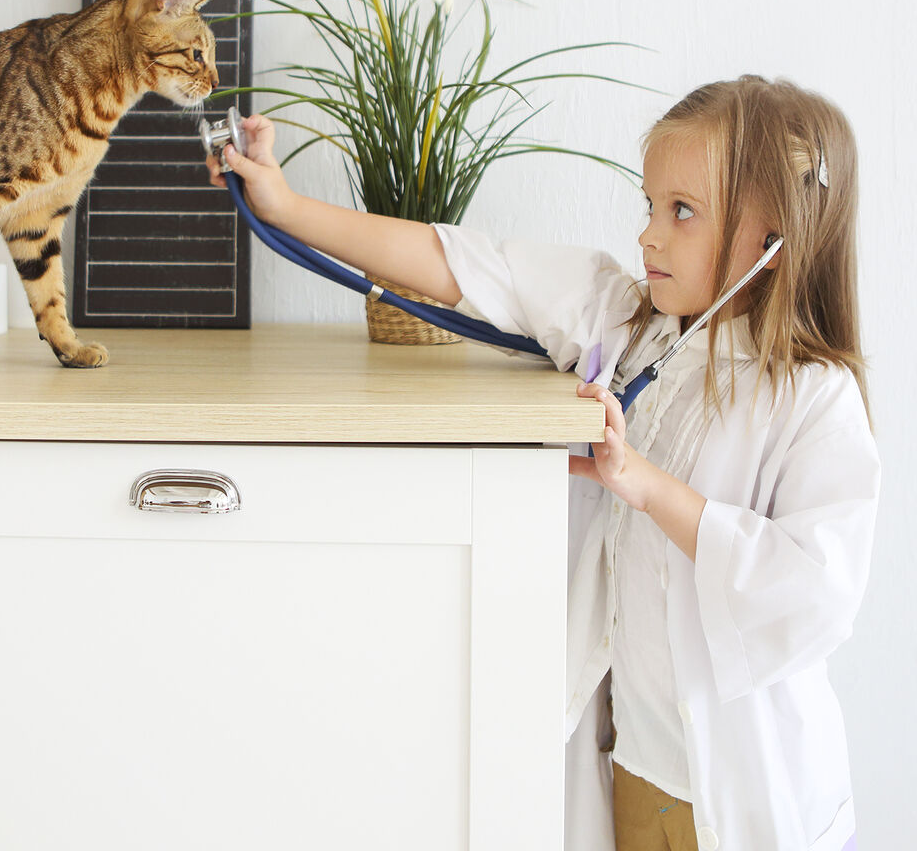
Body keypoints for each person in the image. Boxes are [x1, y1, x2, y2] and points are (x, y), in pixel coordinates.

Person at [209, 75, 878, 850]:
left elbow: (817, 590)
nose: (649, 236)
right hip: (631, 774)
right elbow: (465, 262)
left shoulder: (812, 399)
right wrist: (286, 208)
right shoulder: (626, 322)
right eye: (650, 206)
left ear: (773, 237)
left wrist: (646, 486)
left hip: (744, 794)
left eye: (681, 212)